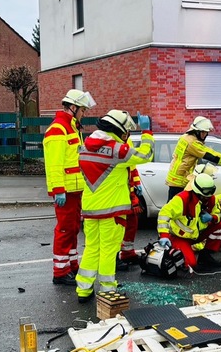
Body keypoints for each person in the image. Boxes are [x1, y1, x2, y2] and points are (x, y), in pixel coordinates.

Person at [76, 110, 154, 303]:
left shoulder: (85, 147)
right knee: (109, 251)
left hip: (90, 209)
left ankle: (83, 289)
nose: (127, 136)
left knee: (91, 248)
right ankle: (108, 290)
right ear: (119, 131)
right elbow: (146, 155)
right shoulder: (118, 150)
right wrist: (146, 132)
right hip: (112, 211)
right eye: (126, 132)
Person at [43, 89, 96, 286]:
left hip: (75, 189)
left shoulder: (72, 128)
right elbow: (54, 164)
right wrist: (58, 190)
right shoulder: (59, 129)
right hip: (66, 189)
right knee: (65, 229)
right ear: (73, 108)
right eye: (82, 110)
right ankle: (60, 271)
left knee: (73, 228)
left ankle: (71, 265)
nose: (84, 113)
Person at [157, 173, 221, 273]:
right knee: (191, 264)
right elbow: (164, 213)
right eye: (206, 193)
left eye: (211, 191)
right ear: (197, 190)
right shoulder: (182, 199)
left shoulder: (211, 199)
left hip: (196, 235)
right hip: (180, 237)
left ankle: (205, 256)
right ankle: (173, 250)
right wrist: (164, 235)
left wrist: (213, 217)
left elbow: (219, 214)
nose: (208, 195)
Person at [165, 116, 221, 201]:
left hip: (177, 178)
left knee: (177, 204)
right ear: (196, 131)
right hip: (180, 181)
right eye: (203, 132)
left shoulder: (185, 137)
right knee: (178, 206)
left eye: (206, 133)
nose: (205, 135)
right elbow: (211, 155)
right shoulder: (192, 143)